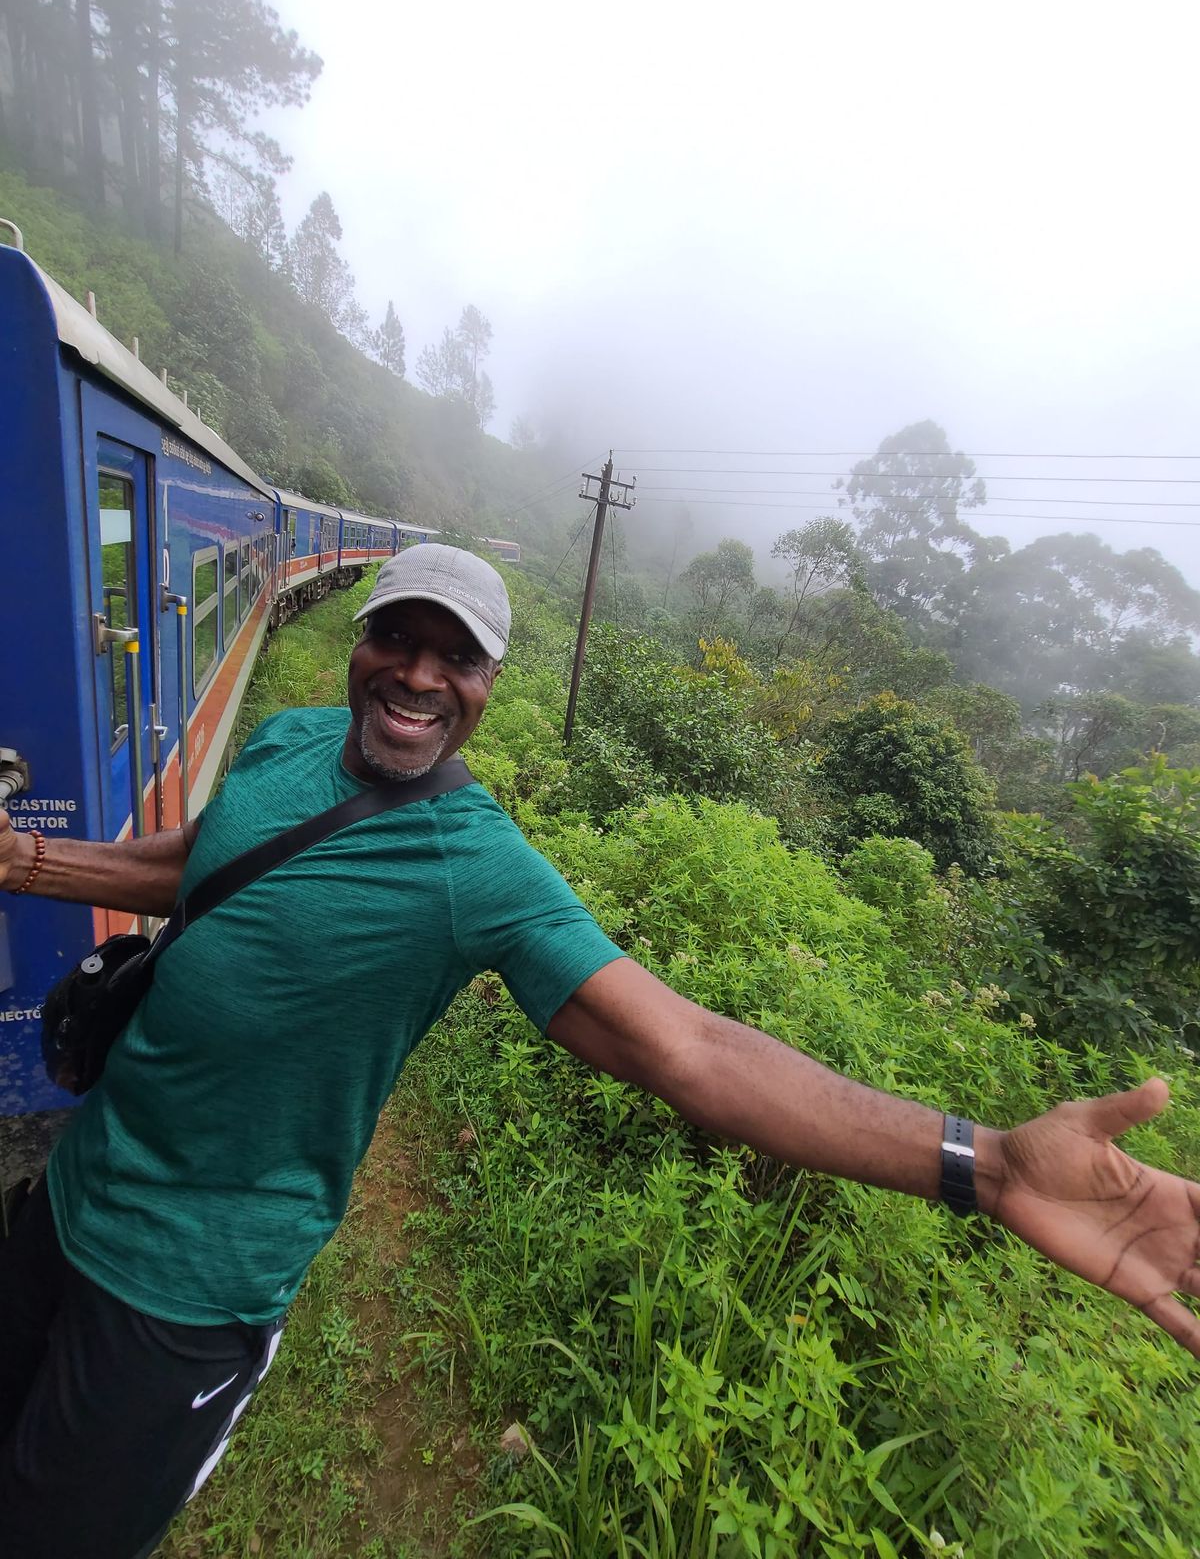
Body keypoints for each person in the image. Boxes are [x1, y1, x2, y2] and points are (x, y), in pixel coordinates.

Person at [1, 542, 1198, 1558]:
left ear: (488, 682)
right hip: (68, 1193)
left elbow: (692, 1049)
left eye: (454, 656)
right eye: (398, 642)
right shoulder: (288, 745)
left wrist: (985, 1164)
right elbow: (197, 861)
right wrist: (32, 862)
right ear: (359, 644)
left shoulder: (476, 867)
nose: (418, 676)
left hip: (186, 1295)